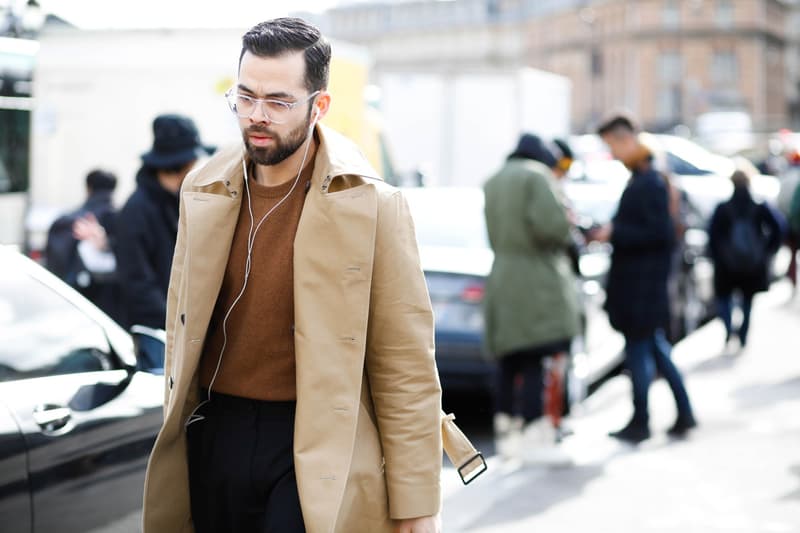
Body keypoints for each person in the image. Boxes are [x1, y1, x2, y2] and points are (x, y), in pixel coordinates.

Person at [143, 18, 481, 533]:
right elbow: (181, 328)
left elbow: (405, 366)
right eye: (246, 97)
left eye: (278, 101)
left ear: (318, 105)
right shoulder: (203, 190)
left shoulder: (371, 204)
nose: (258, 116)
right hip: (215, 431)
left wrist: (419, 502)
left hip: (317, 439)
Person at [590, 113, 696, 443]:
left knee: (640, 351)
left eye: (612, 146)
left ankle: (641, 420)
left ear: (626, 140)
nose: (613, 154)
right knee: (655, 349)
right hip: (643, 283)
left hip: (642, 285)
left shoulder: (649, 180)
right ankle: (682, 413)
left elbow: (660, 233)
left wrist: (614, 232)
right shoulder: (646, 176)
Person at [483, 133, 580, 463]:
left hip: (501, 276)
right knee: (536, 355)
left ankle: (506, 437)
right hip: (535, 279)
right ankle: (536, 438)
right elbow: (553, 228)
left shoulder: (493, 181)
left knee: (509, 359)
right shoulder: (538, 176)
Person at [115, 114, 213, 368]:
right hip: (155, 336)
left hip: (177, 328)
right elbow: (138, 283)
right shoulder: (138, 210)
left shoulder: (174, 201)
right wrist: (174, 323)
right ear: (181, 164)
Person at [708, 169, 783, 349]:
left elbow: (712, 236)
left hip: (727, 265)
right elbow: (779, 229)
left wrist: (720, 256)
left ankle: (728, 330)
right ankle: (742, 334)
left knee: (724, 298)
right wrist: (766, 252)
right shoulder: (759, 206)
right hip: (753, 263)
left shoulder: (723, 208)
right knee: (747, 301)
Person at [45, 169, 124, 324]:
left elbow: (53, 264)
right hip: (112, 309)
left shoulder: (66, 222)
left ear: (88, 188)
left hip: (74, 302)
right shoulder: (122, 219)